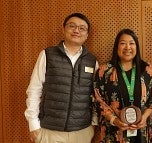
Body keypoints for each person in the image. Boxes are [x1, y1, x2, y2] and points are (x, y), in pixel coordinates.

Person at [24, 13, 98, 143]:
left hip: (82, 131)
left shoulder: (92, 61)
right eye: (72, 26)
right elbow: (34, 90)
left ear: (87, 35)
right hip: (50, 131)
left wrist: (94, 123)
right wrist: (33, 125)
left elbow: (96, 95)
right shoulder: (47, 54)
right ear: (64, 29)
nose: (76, 30)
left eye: (82, 28)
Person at [93, 28, 152, 143]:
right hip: (113, 132)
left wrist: (144, 117)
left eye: (131, 43)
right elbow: (98, 100)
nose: (127, 47)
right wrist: (115, 120)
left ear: (136, 47)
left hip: (142, 131)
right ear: (116, 47)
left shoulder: (147, 70)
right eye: (123, 43)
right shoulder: (104, 71)